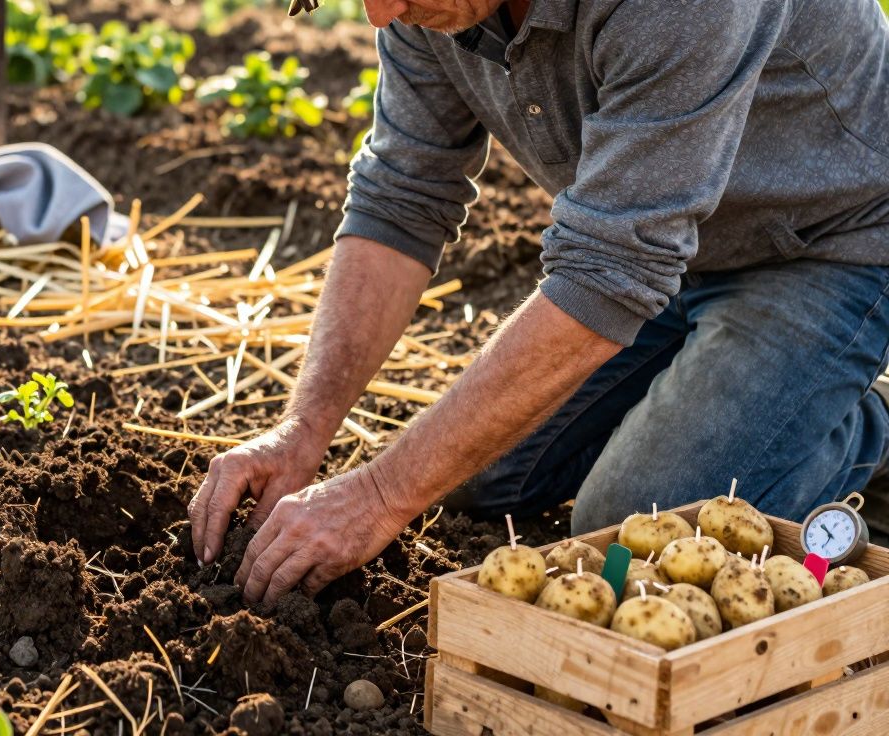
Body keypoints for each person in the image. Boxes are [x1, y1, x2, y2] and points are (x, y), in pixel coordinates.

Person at [186, 0, 889, 604]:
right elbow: (401, 199)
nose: (379, 13)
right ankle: (736, 379)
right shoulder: (424, 9)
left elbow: (610, 271)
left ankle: (858, 419)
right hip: (669, 243)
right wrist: (302, 431)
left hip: (828, 243)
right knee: (477, 474)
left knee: (629, 521)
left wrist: (377, 497)